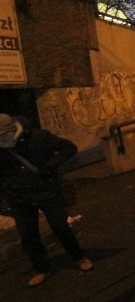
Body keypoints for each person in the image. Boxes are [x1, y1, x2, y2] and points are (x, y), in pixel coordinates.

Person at [0, 114, 93, 287]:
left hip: (45, 190)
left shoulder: (37, 137)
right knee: (28, 235)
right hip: (18, 196)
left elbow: (68, 148)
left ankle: (78, 256)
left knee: (60, 226)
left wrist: (49, 167)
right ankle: (41, 268)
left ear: (12, 131)